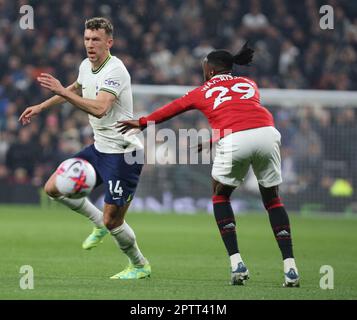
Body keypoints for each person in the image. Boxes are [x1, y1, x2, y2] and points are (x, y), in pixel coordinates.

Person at [118, 42, 300, 287]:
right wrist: (216, 137)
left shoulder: (202, 90)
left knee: (220, 196)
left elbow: (171, 109)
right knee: (273, 200)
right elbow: (243, 113)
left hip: (236, 139)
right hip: (267, 133)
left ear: (211, 70)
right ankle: (290, 268)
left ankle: (237, 264)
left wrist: (142, 122)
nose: (203, 72)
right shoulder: (249, 84)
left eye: (204, 68)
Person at [19, 17, 151, 280]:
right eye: (87, 39)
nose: (90, 44)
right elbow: (74, 87)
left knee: (113, 220)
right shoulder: (85, 65)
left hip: (125, 152)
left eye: (96, 40)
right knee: (52, 188)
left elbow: (101, 109)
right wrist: (42, 107)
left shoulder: (116, 70)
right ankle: (96, 223)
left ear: (109, 42)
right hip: (100, 148)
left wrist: (63, 92)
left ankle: (139, 265)